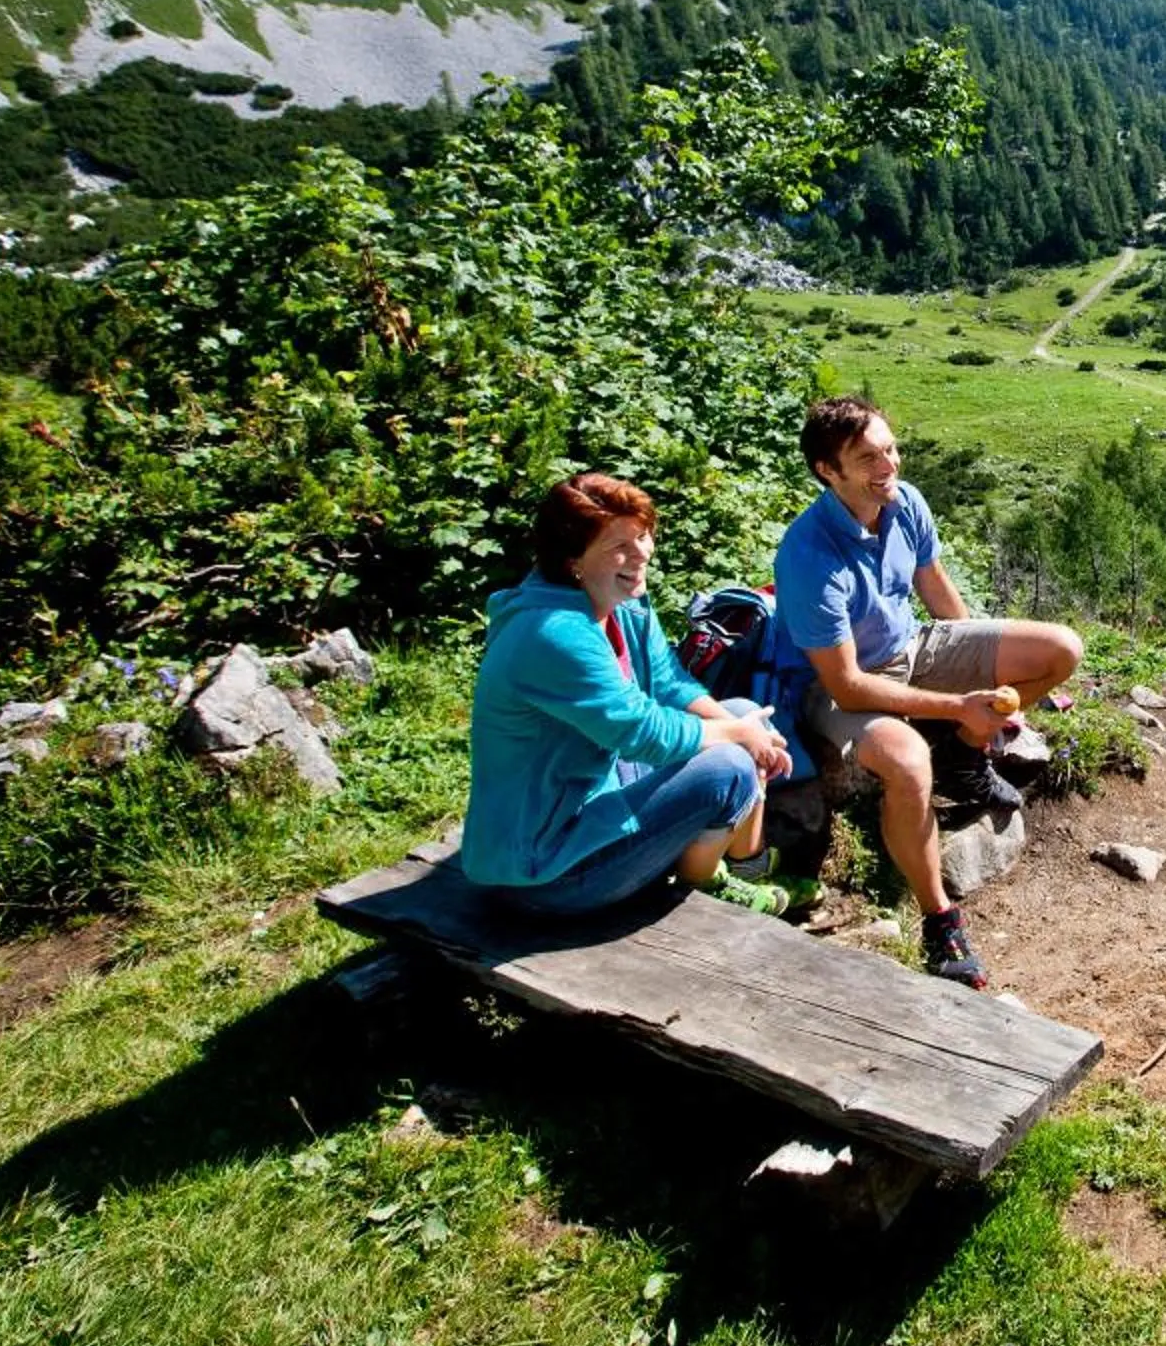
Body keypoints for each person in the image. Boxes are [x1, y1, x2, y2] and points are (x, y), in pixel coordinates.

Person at [771, 397, 1084, 989]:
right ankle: (940, 919)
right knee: (910, 763)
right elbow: (846, 683)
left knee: (1060, 648)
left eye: (890, 448)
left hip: (913, 646)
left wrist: (983, 688)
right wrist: (954, 706)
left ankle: (964, 755)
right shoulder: (809, 555)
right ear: (827, 471)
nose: (887, 464)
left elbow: (937, 593)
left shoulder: (903, 502)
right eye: (867, 458)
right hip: (837, 688)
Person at [463, 472, 798, 916]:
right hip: (544, 870)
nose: (641, 553)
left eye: (642, 536)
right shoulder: (553, 634)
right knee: (730, 764)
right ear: (572, 560)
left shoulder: (619, 599)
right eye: (619, 546)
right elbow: (643, 732)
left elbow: (667, 682)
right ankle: (704, 885)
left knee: (744, 712)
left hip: (592, 797)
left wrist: (739, 725)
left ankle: (740, 865)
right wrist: (736, 738)